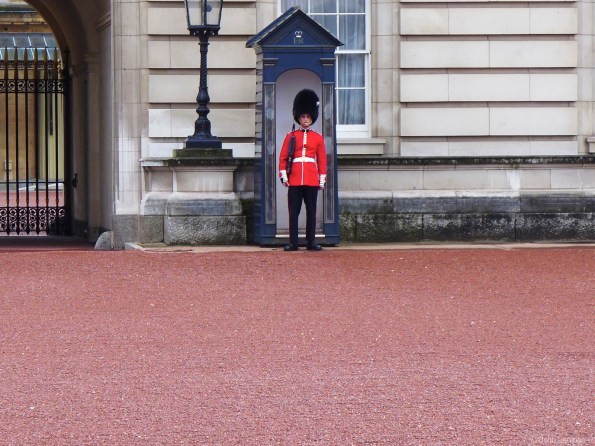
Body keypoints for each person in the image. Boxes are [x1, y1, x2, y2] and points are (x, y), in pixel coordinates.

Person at [278, 89, 327, 251]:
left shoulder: (318, 137)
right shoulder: (290, 136)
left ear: (312, 118)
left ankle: (311, 241)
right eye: (303, 117)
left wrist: (321, 178)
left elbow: (321, 160)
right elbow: (283, 157)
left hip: (312, 179)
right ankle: (293, 242)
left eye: (307, 117)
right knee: (294, 212)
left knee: (311, 212)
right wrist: (284, 175)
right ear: (298, 118)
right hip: (295, 178)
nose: (305, 120)